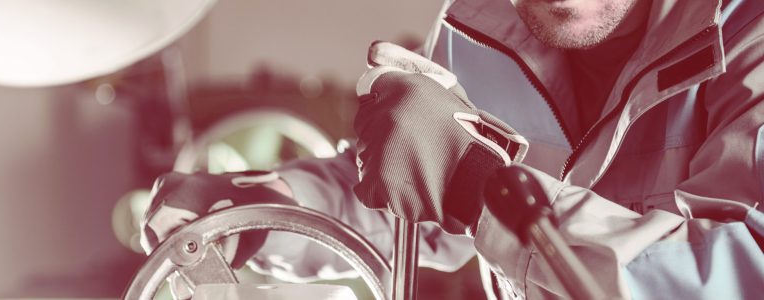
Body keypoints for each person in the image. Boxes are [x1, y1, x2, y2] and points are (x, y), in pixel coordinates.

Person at [141, 0, 764, 298]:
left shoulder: (750, 33)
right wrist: (262, 209)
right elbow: (412, 196)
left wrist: (476, 184)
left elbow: (742, 275)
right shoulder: (483, 29)